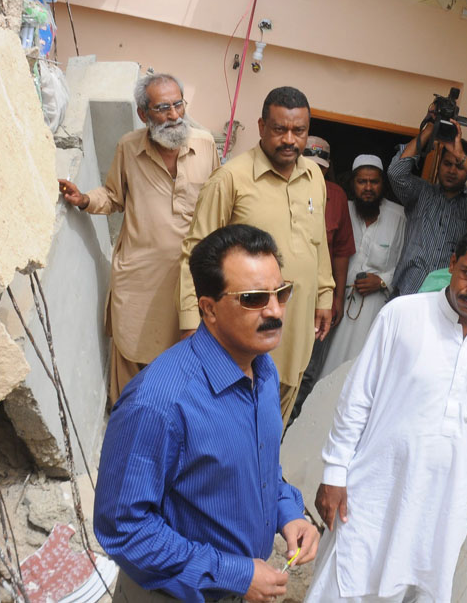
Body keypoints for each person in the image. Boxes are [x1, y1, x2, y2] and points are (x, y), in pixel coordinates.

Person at [94, 224, 320, 603]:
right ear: (208, 309)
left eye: (281, 293)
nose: (275, 311)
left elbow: (259, 467)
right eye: (253, 298)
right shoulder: (159, 402)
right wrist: (236, 573)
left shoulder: (263, 372)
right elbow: (124, 527)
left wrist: (288, 512)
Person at [306, 225, 467, 603]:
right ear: (453, 263)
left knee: (419, 586)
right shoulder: (402, 315)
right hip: (373, 494)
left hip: (446, 503)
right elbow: (358, 399)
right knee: (345, 583)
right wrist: (335, 472)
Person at [58, 73, 219, 404]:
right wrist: (85, 199)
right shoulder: (129, 147)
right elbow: (114, 195)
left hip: (189, 281)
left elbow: (219, 206)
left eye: (178, 104)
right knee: (131, 352)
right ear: (144, 114)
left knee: (180, 361)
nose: (175, 115)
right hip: (139, 278)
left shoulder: (205, 146)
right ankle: (125, 426)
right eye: (163, 108)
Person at [179, 86, 334, 423]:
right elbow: (196, 252)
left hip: (295, 328)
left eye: (299, 131)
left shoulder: (313, 178)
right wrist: (191, 322)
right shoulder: (231, 179)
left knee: (276, 419)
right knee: (231, 420)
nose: (290, 140)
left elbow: (317, 240)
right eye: (280, 130)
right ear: (262, 127)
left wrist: (324, 293)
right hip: (244, 331)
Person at [318, 154, 406, 379]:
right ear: (352, 183)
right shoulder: (341, 209)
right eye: (362, 182)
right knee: (324, 366)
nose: (368, 187)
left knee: (359, 369)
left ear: (382, 184)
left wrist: (383, 280)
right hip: (336, 303)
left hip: (374, 307)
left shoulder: (400, 216)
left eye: (374, 182)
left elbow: (407, 261)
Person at [388, 107, 467, 297]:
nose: (452, 170)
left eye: (459, 166)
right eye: (447, 164)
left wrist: (461, 155)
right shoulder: (420, 193)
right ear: (438, 165)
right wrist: (430, 128)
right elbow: (396, 173)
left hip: (445, 298)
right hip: (407, 293)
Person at [303, 135, 355, 327]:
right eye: (309, 164)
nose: (315, 171)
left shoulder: (337, 196)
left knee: (312, 354)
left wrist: (338, 299)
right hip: (282, 291)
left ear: (328, 166)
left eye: (321, 167)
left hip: (318, 298)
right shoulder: (280, 188)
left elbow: (342, 253)